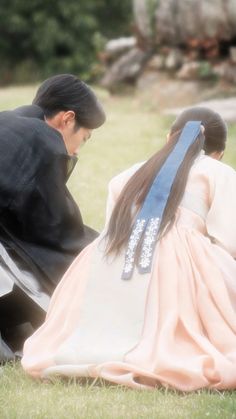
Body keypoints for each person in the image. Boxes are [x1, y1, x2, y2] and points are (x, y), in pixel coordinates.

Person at [22, 107, 236, 391]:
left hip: (110, 260)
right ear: (218, 153)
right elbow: (228, 239)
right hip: (175, 270)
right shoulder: (218, 172)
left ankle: (97, 343)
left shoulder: (127, 175)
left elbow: (114, 228)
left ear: (169, 137)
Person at [0, 74, 106, 361]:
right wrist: (100, 246)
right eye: (82, 140)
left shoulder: (8, 121)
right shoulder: (44, 141)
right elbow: (55, 228)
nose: (75, 151)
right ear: (67, 119)